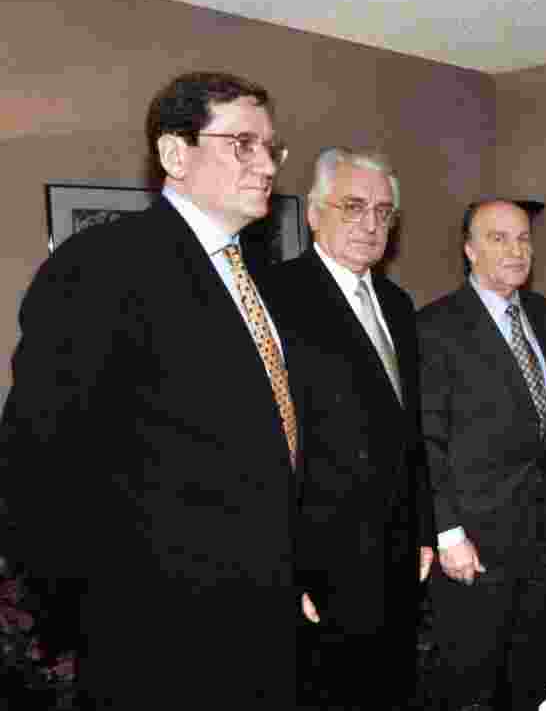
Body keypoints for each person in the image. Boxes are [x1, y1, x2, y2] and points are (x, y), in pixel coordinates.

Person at [0, 72, 301, 707]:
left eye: (271, 147)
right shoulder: (104, 265)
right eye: (242, 143)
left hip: (264, 613)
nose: (266, 164)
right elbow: (37, 455)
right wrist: (80, 614)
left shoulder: (260, 275)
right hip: (155, 628)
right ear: (174, 154)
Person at [257, 147, 434, 708]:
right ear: (313, 213)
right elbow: (259, 447)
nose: (370, 223)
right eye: (354, 206)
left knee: (393, 688)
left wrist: (425, 529)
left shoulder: (398, 304)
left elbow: (413, 432)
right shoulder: (274, 298)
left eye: (384, 212)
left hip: (398, 552)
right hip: (320, 558)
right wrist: (282, 564)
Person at [418, 199, 546, 711]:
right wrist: (446, 532)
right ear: (469, 249)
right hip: (474, 538)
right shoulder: (435, 325)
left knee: (533, 671)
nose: (516, 250)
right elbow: (428, 440)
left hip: (542, 530)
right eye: (498, 238)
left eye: (524, 238)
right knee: (470, 678)